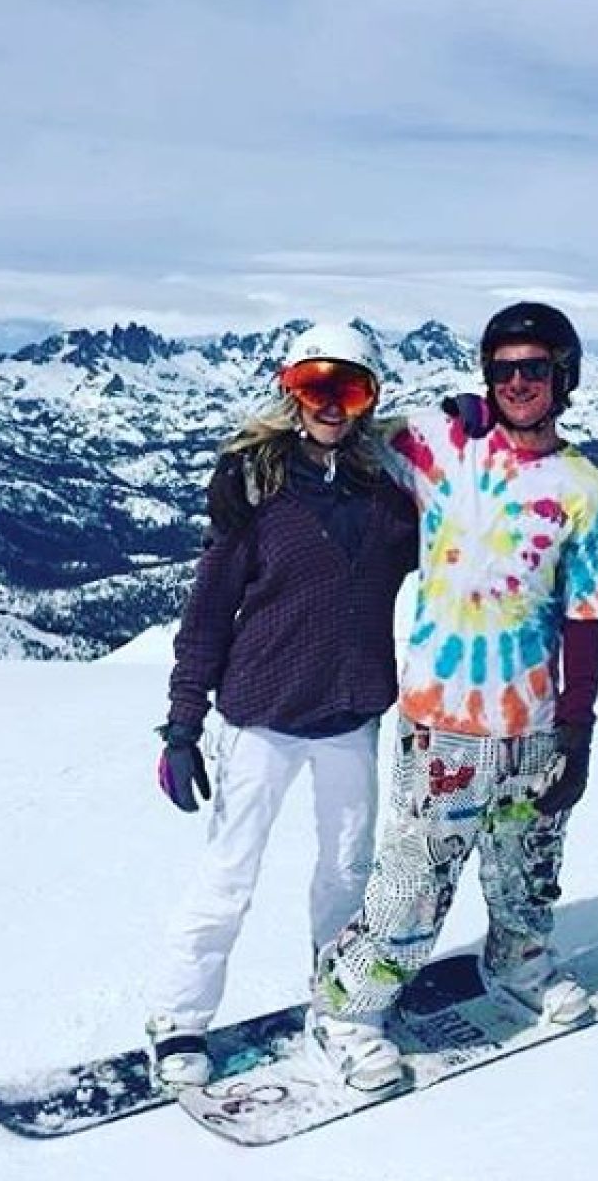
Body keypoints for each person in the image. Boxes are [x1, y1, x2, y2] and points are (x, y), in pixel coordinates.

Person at [304, 301, 598, 1092]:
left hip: (534, 721)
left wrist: (578, 729)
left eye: (534, 368)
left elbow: (584, 622)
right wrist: (436, 412)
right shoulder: (442, 445)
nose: (517, 382)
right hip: (442, 719)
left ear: (563, 377)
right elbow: (344, 428)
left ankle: (520, 966)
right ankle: (344, 1011)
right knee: (415, 878)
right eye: (502, 369)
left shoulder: (585, 490)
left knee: (527, 870)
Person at [147, 323, 419, 1088]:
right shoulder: (256, 490)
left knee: (346, 873)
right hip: (261, 715)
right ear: (290, 392)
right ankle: (178, 1019)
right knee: (228, 874)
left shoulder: (390, 498)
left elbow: (457, 543)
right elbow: (208, 614)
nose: (331, 404)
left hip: (351, 716)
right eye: (313, 386)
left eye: (349, 389)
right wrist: (182, 726)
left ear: (369, 399)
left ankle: (339, 1011)